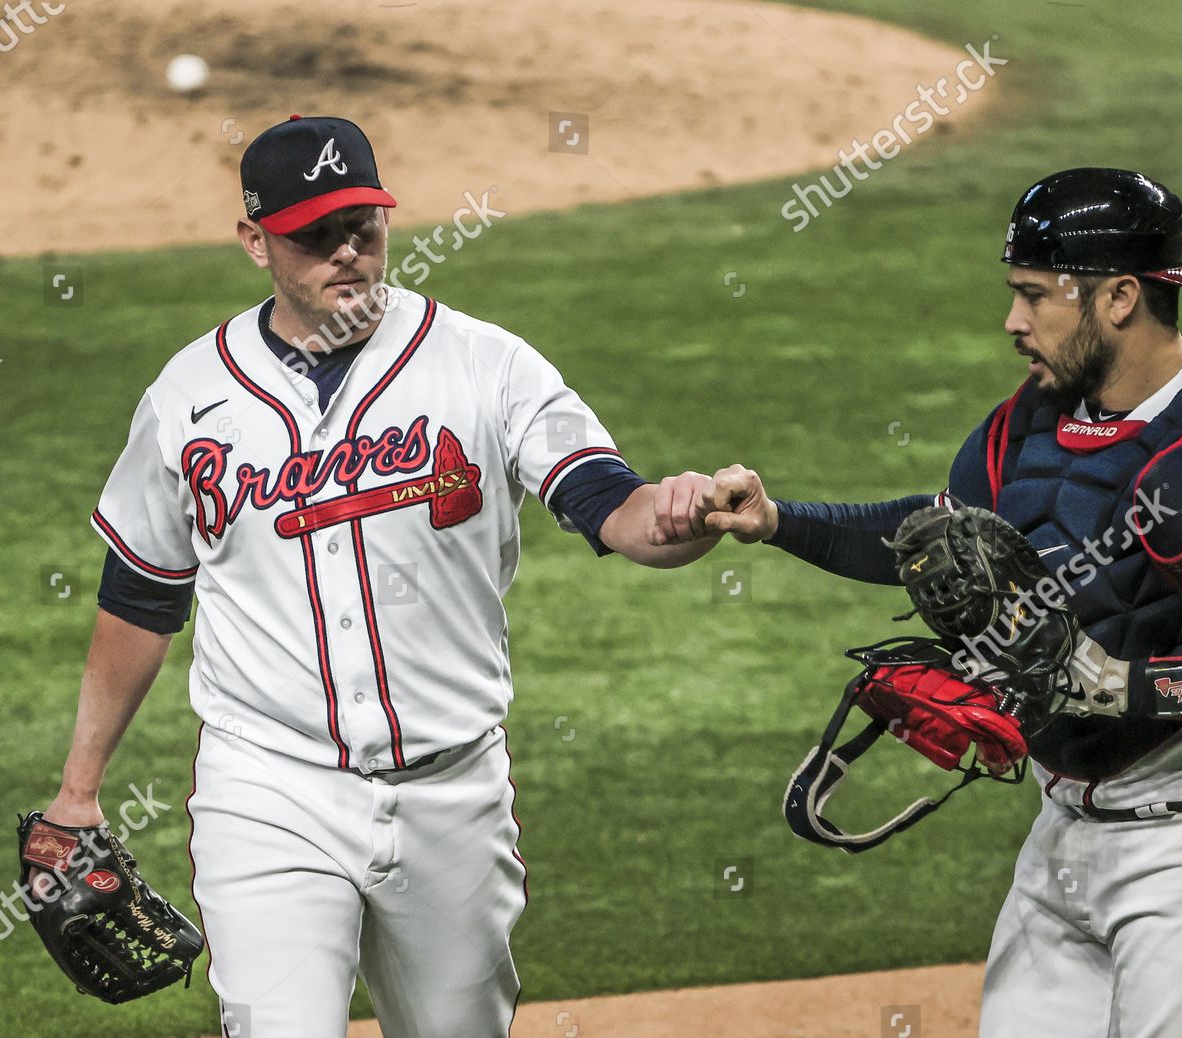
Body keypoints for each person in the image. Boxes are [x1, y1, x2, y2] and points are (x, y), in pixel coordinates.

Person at [35, 114, 722, 1037]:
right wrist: (78, 790)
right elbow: (143, 595)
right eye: (315, 235)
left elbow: (615, 506)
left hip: (454, 793)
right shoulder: (188, 398)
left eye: (363, 225)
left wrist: (684, 514)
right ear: (255, 242)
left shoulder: (488, 365)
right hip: (268, 787)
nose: (347, 252)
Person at [696, 168, 1182, 1036]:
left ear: (1119, 296)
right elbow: (942, 535)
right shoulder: (1031, 427)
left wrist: (1126, 686)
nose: (1014, 321)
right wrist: (780, 521)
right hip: (1064, 839)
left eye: (1035, 295)